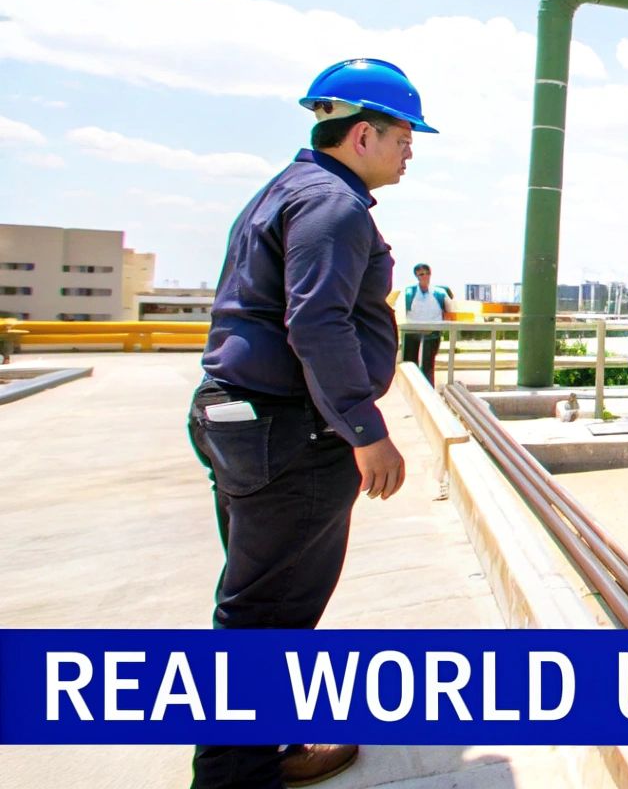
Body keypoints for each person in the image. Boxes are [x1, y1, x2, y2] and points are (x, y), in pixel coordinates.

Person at [187, 58, 436, 789]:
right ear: (362, 135)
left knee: (267, 599)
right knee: (265, 616)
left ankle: (275, 744)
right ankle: (237, 776)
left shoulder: (287, 190)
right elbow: (318, 324)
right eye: (403, 139)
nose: (410, 152)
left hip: (244, 419)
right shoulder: (333, 206)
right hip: (288, 431)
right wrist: (366, 430)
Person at [401, 263, 455, 384]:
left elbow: (449, 311)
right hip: (412, 331)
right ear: (416, 276)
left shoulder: (440, 293)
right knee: (410, 364)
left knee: (428, 365)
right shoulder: (409, 292)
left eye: (427, 273)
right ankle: (412, 389)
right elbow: (403, 310)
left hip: (432, 332)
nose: (425, 276)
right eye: (421, 274)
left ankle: (429, 390)